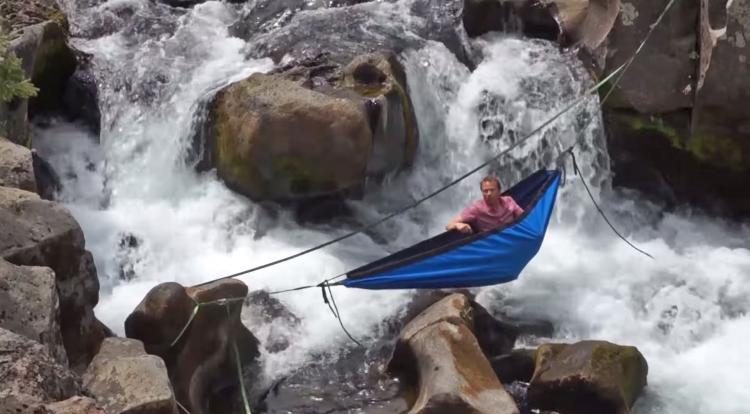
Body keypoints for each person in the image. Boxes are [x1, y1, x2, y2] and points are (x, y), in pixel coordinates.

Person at [446, 175, 524, 234]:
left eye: (492, 190)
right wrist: (457, 225)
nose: (489, 194)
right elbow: (449, 225)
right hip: (494, 245)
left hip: (514, 237)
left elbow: (525, 217)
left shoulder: (509, 201)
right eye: (485, 191)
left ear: (499, 191)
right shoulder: (476, 208)